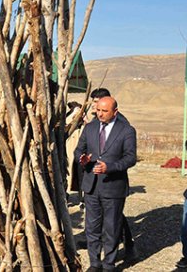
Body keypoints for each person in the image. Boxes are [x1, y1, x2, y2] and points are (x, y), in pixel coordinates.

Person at [74, 96, 136, 272]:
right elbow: (79, 149)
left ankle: (109, 264)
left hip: (113, 187)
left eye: (104, 111)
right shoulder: (90, 128)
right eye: (98, 110)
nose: (99, 114)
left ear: (115, 112)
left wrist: (110, 167)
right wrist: (82, 159)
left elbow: (130, 158)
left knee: (112, 228)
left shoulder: (126, 130)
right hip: (92, 186)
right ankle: (95, 263)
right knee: (92, 228)